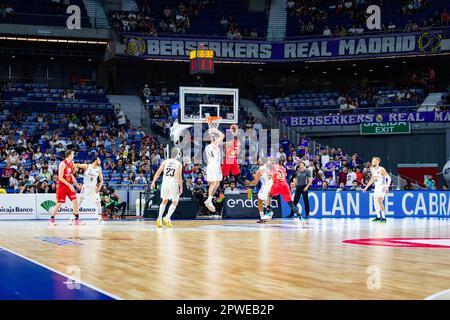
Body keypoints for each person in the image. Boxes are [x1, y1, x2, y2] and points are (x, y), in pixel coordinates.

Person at [151, 147, 183, 228]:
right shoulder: (178, 164)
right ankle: (167, 217)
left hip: (165, 183)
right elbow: (179, 176)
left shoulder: (165, 161)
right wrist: (181, 186)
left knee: (164, 201)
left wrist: (153, 181)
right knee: (175, 202)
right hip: (173, 183)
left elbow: (158, 172)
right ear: (178, 154)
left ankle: (159, 218)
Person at [49, 150, 82, 226]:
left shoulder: (72, 163)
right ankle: (51, 219)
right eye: (73, 154)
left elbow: (71, 175)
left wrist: (76, 185)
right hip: (62, 186)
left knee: (75, 201)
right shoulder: (62, 164)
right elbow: (60, 177)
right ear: (69, 155)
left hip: (69, 185)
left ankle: (77, 220)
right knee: (59, 203)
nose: (74, 155)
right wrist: (70, 185)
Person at [269, 157, 302, 225]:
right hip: (285, 185)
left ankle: (268, 211)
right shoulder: (284, 168)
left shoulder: (274, 167)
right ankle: (299, 214)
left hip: (277, 184)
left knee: (269, 195)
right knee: (290, 203)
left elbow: (272, 175)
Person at [74, 156, 104, 224]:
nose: (100, 161)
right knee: (80, 202)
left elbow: (101, 179)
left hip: (93, 188)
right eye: (99, 160)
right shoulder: (87, 166)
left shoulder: (99, 169)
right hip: (86, 187)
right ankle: (74, 218)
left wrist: (99, 187)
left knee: (98, 202)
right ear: (95, 160)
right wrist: (71, 166)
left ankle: (100, 219)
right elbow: (77, 165)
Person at [362, 157, 391, 223]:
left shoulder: (381, 169)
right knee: (375, 202)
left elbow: (388, 178)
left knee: (379, 200)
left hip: (382, 187)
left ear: (377, 161)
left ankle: (383, 218)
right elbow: (372, 179)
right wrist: (366, 187)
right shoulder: (372, 169)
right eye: (372, 161)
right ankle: (378, 217)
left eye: (373, 161)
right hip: (377, 187)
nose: (372, 162)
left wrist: (387, 187)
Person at [246, 157, 274, 223]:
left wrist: (247, 183)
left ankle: (266, 213)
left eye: (259, 159)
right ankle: (266, 212)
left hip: (266, 186)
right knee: (263, 200)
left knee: (260, 201)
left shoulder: (260, 169)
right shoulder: (269, 167)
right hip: (272, 184)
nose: (258, 160)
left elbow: (255, 182)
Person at [204, 127, 225, 213]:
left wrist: (210, 133)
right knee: (216, 183)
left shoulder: (207, 147)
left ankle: (209, 199)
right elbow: (222, 135)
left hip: (209, 165)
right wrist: (215, 131)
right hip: (214, 165)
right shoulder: (214, 145)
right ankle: (209, 199)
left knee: (214, 184)